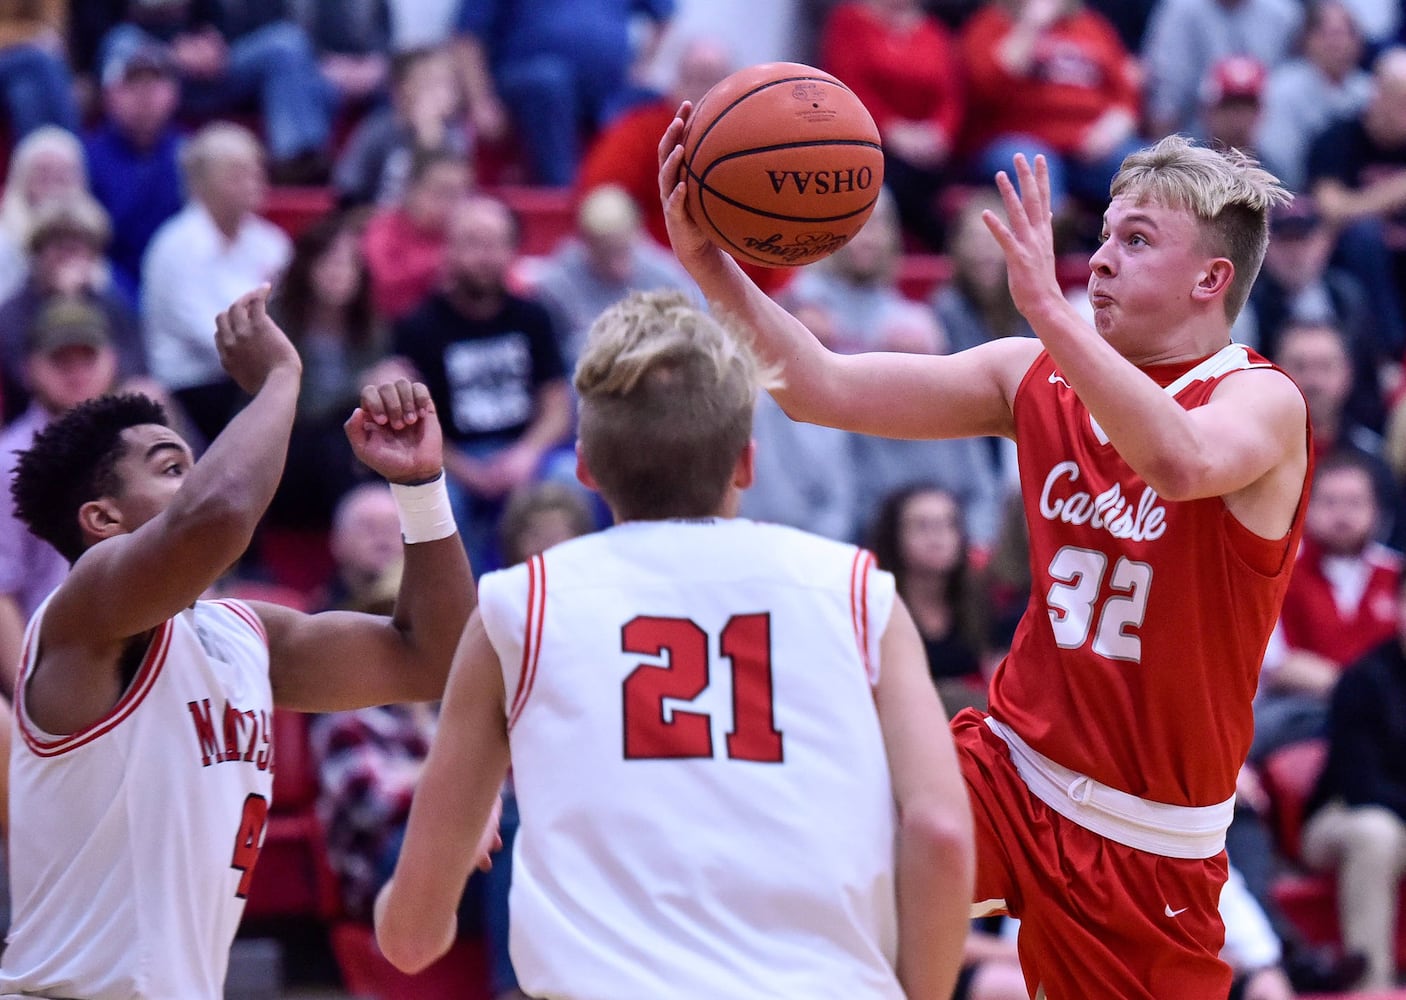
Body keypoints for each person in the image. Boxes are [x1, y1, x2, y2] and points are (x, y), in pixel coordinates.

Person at [659, 110, 1312, 996]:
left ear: (1212, 277)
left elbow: (1180, 461)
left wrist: (1047, 308)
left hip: (1148, 840)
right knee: (801, 872)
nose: (1104, 258)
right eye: (1107, 233)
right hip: (1006, 765)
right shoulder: (1030, 374)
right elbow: (818, 387)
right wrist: (710, 265)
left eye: (1139, 239)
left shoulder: (1261, 401)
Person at [374, 290, 976, 999]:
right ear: (746, 462)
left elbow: (411, 940)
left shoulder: (520, 605)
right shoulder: (859, 592)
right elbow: (938, 831)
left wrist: (447, 850)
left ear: (587, 469)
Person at [0, 285, 475, 1000]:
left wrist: (420, 488)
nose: (197, 480)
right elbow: (218, 513)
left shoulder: (243, 631)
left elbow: (433, 658)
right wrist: (280, 380)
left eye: (191, 464)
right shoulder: (83, 611)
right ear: (101, 517)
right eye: (170, 469)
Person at [141, 122, 292, 447]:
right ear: (200, 183)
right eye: (238, 173)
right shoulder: (175, 246)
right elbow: (211, 337)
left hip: (260, 376)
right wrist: (280, 360)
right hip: (194, 385)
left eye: (257, 170)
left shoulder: (272, 242)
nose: (255, 182)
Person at [1300, 575, 1406, 990]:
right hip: (1340, 817)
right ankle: (1371, 985)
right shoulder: (1364, 679)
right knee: (1375, 833)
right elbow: (1361, 785)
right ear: (1395, 608)